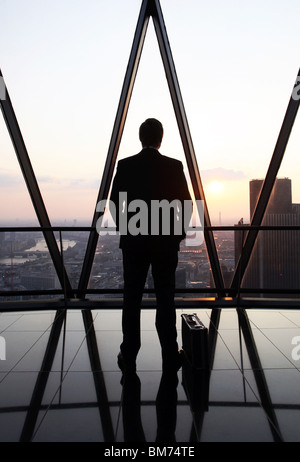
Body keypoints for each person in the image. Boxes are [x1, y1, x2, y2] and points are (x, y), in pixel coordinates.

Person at [110, 118, 191, 373]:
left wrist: (128, 228)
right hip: (165, 244)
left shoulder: (125, 165)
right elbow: (185, 206)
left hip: (134, 243)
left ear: (140, 138)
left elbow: (113, 204)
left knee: (131, 298)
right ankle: (170, 352)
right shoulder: (174, 166)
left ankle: (129, 353)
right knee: (165, 299)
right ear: (161, 138)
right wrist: (176, 235)